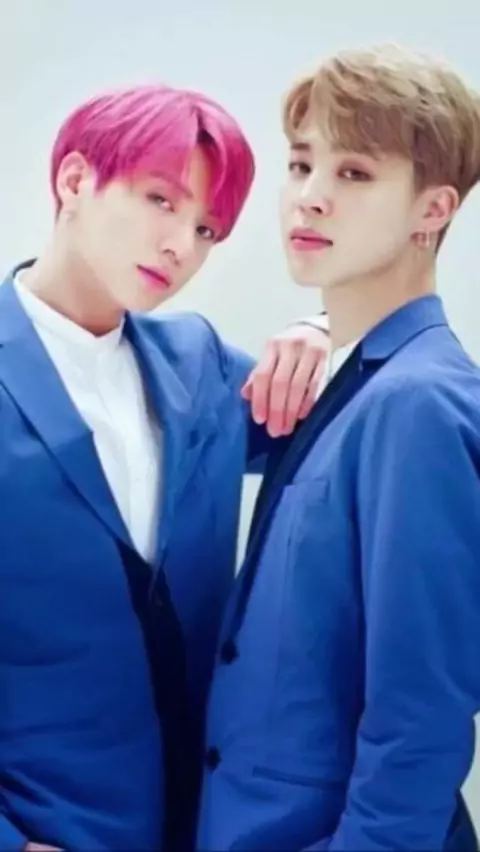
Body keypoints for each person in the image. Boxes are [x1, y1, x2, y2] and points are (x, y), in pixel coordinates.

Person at [0, 85, 330, 852]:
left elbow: (350, 417)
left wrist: (323, 329)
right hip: (58, 828)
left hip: (219, 829)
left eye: (206, 227)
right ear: (74, 180)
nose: (181, 244)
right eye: (160, 200)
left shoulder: (199, 362)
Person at [197, 44, 480, 851]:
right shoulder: (346, 381)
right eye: (300, 164)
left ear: (432, 209)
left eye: (355, 173)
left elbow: (419, 717)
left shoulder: (420, 405)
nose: (310, 197)